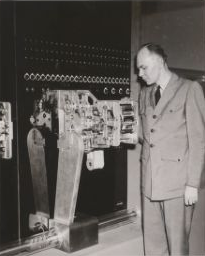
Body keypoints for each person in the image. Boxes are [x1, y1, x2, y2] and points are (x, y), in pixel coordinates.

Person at [136, 43, 205, 256]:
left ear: (159, 62)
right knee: (153, 246)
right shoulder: (145, 94)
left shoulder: (189, 89)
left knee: (177, 248)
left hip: (177, 185)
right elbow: (146, 137)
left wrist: (193, 183)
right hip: (149, 183)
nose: (140, 74)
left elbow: (198, 140)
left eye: (143, 67)